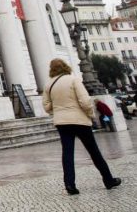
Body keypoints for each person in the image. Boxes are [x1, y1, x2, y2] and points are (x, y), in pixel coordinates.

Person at [43, 58, 121, 195]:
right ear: (65, 67)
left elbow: (47, 106)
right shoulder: (73, 80)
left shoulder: (49, 85)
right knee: (94, 151)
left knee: (67, 153)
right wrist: (90, 114)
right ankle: (108, 180)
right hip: (79, 120)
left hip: (62, 122)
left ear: (52, 69)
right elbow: (85, 101)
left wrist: (58, 110)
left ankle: (70, 185)